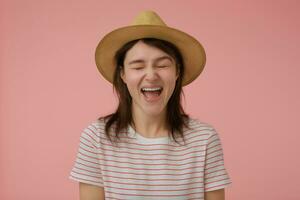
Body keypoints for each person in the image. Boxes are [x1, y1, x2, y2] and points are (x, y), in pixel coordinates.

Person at [69, 10, 232, 200]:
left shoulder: (204, 139)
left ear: (177, 71)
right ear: (123, 74)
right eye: (138, 67)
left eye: (162, 65)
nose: (151, 75)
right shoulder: (96, 138)